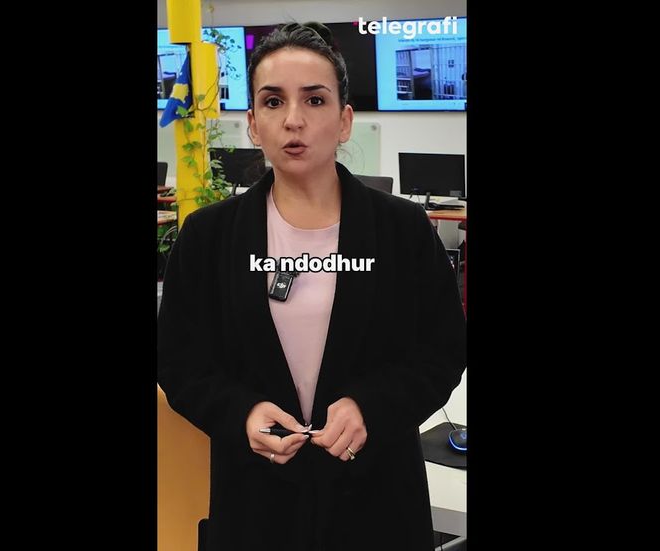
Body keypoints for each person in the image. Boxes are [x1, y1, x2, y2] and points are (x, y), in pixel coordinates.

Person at [157, 22, 467, 550]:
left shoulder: (402, 231)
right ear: (253, 124)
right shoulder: (209, 237)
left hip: (377, 501)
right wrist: (240, 412)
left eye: (315, 100)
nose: (293, 120)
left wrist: (371, 406)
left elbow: (442, 351)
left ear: (344, 121)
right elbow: (179, 360)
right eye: (273, 101)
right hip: (256, 502)